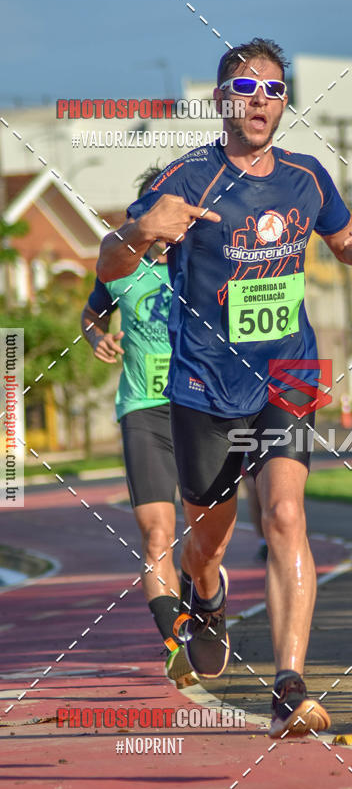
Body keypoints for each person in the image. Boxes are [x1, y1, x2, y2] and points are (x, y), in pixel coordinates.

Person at [97, 38, 352, 738]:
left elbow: (348, 238)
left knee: (287, 514)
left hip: (288, 371)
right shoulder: (184, 179)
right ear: (220, 100)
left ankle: (289, 684)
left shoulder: (307, 178)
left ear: (284, 103)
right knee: (204, 542)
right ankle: (205, 593)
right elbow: (112, 266)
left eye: (273, 88)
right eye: (246, 87)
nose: (261, 99)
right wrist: (141, 228)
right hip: (204, 384)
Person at [82, 166, 196, 689]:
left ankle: (205, 606)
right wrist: (97, 338)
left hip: (202, 408)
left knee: (203, 544)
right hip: (143, 410)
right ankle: (175, 638)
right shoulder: (122, 267)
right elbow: (91, 315)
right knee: (158, 537)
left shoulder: (206, 264)